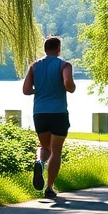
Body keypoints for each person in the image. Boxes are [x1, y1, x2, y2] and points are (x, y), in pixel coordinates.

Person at [22, 36, 76, 199]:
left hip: (40, 113)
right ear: (59, 49)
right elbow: (68, 84)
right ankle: (49, 188)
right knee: (56, 151)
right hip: (58, 112)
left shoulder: (35, 66)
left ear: (45, 49)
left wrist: (39, 90)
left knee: (45, 147)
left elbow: (25, 90)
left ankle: (39, 162)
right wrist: (70, 86)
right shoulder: (64, 65)